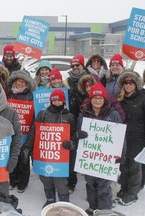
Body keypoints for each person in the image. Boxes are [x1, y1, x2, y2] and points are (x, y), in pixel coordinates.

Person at [22, 89, 75, 207]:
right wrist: (27, 147)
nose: (57, 103)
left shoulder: (69, 116)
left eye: (59, 100)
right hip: (45, 153)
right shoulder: (43, 114)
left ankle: (63, 202)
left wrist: (72, 143)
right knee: (46, 178)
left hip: (61, 156)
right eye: (54, 100)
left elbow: (73, 135)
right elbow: (34, 131)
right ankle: (50, 199)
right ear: (51, 101)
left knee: (60, 181)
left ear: (63, 101)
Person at [77, 83, 123, 215]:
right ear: (90, 99)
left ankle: (104, 211)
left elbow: (120, 137)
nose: (97, 100)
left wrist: (121, 155)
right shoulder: (83, 114)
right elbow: (78, 132)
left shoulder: (113, 114)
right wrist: (77, 135)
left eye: (100, 98)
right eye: (95, 98)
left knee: (104, 186)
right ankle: (92, 208)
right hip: (89, 158)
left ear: (104, 99)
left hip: (106, 159)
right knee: (90, 184)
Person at [116, 70, 145, 206]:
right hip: (123, 137)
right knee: (124, 165)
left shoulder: (143, 96)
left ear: (136, 84)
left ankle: (132, 193)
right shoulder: (121, 98)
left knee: (135, 167)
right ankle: (124, 188)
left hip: (138, 138)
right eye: (125, 83)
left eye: (131, 83)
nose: (128, 86)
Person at [7, 70, 36, 193]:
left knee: (24, 159)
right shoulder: (9, 95)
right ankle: (12, 180)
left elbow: (35, 115)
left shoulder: (32, 95)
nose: (20, 83)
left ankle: (23, 183)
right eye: (18, 80)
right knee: (12, 157)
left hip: (26, 132)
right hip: (11, 132)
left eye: (22, 81)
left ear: (27, 83)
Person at [64, 54, 89, 193]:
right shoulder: (67, 81)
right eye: (73, 66)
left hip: (86, 118)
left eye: (77, 65)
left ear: (82, 66)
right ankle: (71, 182)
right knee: (71, 151)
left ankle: (90, 180)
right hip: (70, 119)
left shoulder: (88, 79)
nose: (75, 68)